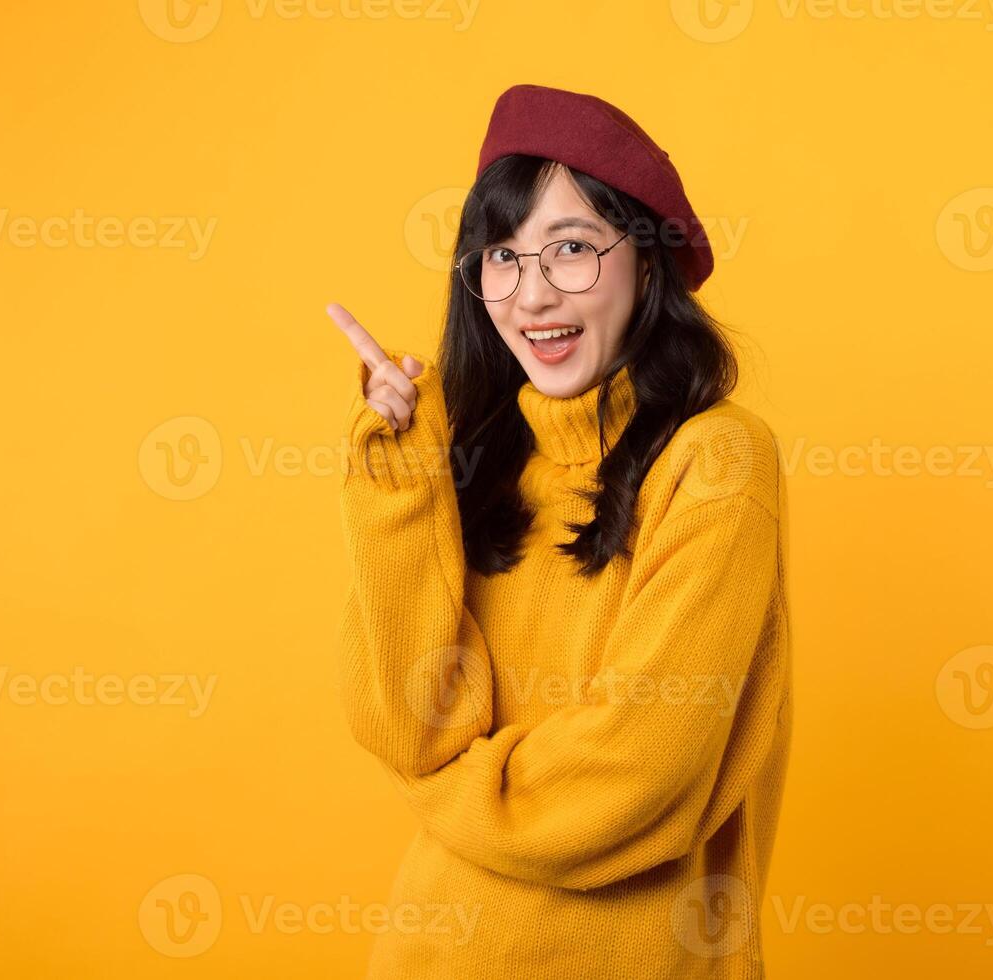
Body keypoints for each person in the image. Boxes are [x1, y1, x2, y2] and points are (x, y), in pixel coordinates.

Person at [327, 82, 793, 979]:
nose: (532, 296)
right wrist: (399, 481)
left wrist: (444, 788)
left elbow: (638, 780)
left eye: (571, 249)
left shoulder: (718, 463)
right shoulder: (477, 460)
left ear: (648, 264)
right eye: (500, 257)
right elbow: (401, 720)